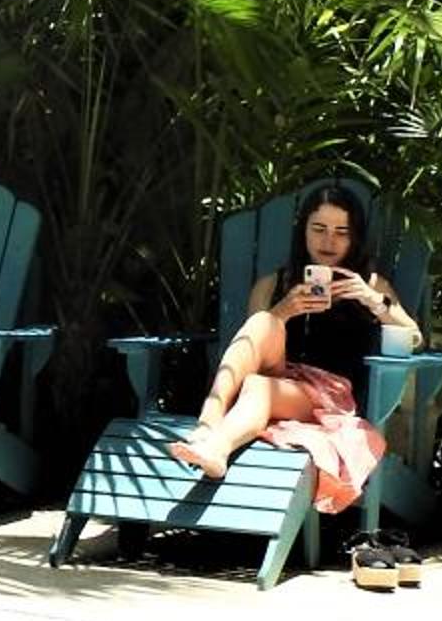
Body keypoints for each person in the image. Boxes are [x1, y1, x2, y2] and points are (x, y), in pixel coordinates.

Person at [167, 182, 427, 588]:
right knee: (262, 325)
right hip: (277, 377)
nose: (328, 241)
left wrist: (374, 302)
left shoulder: (371, 284)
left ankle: (215, 443)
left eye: (341, 232)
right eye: (318, 229)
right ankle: (208, 424)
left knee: (259, 388)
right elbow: (250, 342)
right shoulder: (273, 283)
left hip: (327, 397)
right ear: (302, 230)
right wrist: (284, 310)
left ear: (355, 237)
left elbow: (415, 339)